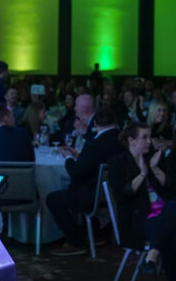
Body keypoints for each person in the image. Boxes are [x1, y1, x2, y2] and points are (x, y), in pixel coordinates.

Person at [107, 123, 176, 281]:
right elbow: (121, 195)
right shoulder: (117, 163)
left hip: (161, 215)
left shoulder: (154, 158)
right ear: (131, 140)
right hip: (137, 220)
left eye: (149, 137)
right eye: (144, 137)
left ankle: (152, 255)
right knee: (171, 233)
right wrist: (143, 174)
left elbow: (172, 187)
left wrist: (154, 169)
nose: (148, 141)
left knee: (175, 206)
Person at [48, 107, 125, 256]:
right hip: (112, 194)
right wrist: (80, 156)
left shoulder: (94, 144)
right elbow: (95, 162)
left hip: (90, 196)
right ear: (115, 122)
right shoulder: (120, 141)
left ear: (95, 123)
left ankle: (75, 240)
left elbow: (76, 172)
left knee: (52, 199)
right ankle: (94, 235)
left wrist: (68, 158)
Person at [0, 105, 35, 171]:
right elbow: (32, 161)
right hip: (24, 179)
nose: (14, 119)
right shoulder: (23, 134)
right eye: (12, 116)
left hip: (0, 180)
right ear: (6, 118)